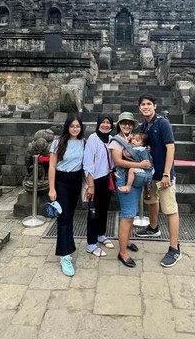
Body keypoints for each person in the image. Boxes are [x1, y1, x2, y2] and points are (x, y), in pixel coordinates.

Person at [135, 94, 182, 267]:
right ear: (139, 108)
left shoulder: (163, 124)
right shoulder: (144, 125)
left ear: (154, 106)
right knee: (151, 201)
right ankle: (153, 228)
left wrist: (167, 174)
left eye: (149, 104)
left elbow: (171, 148)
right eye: (143, 104)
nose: (146, 107)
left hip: (164, 175)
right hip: (151, 173)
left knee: (170, 209)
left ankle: (174, 248)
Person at [109, 111, 151, 268]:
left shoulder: (134, 140)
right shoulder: (116, 141)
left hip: (136, 179)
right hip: (124, 180)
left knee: (132, 213)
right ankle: (122, 252)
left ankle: (126, 241)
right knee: (127, 215)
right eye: (123, 123)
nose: (126, 125)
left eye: (129, 123)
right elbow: (118, 161)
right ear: (119, 124)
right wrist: (140, 165)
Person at [48, 113, 85, 276]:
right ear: (67, 127)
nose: (75, 129)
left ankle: (68, 246)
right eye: (72, 126)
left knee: (70, 216)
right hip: (61, 182)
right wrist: (52, 188)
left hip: (76, 181)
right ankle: (64, 255)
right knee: (63, 218)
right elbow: (52, 166)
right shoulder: (58, 142)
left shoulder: (83, 142)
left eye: (77, 126)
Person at [82, 113, 115, 257]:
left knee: (104, 209)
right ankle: (91, 243)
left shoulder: (112, 139)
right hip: (95, 180)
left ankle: (101, 234)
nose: (106, 125)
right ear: (98, 123)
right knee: (93, 212)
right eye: (103, 122)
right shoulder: (93, 139)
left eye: (108, 122)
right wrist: (91, 185)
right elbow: (88, 162)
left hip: (108, 179)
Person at [113, 131, 154, 197]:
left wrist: (125, 144)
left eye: (137, 140)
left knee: (131, 170)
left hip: (145, 170)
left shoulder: (139, 149)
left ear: (142, 143)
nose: (133, 141)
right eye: (133, 139)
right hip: (147, 169)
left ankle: (128, 187)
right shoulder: (141, 148)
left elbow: (126, 154)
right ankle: (147, 192)